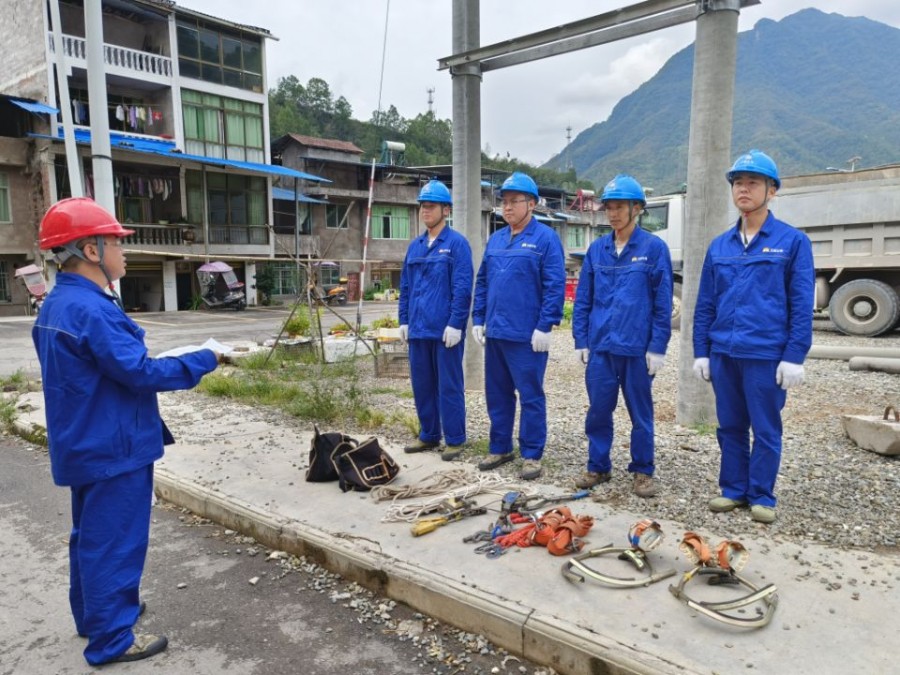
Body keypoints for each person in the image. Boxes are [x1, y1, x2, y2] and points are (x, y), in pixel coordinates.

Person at [32, 198, 224, 665]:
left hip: (84, 440)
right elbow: (139, 372)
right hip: (112, 444)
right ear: (91, 250)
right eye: (116, 241)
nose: (123, 248)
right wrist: (205, 357)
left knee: (91, 537)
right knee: (114, 539)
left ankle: (95, 615)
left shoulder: (60, 303)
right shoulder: (90, 310)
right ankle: (112, 638)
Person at [693, 149, 814, 524]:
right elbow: (705, 304)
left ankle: (762, 494)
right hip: (724, 352)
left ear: (772, 191)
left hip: (764, 354)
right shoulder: (720, 246)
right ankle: (733, 489)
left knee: (765, 427)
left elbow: (800, 303)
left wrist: (795, 355)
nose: (744, 189)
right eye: (738, 183)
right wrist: (701, 351)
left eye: (753, 182)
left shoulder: (792, 242)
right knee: (729, 425)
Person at [572, 175, 673, 498]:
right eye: (609, 207)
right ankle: (598, 466)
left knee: (640, 414)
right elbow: (583, 299)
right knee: (598, 409)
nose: (613, 214)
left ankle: (643, 471)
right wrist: (581, 340)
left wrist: (657, 347)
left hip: (636, 348)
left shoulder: (653, 249)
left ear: (637, 209)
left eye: (620, 207)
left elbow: (662, 302)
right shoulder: (597, 250)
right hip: (602, 347)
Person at [472, 172, 566, 481]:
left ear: (532, 204)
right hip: (496, 332)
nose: (507, 207)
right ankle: (500, 447)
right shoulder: (497, 238)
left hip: (527, 336)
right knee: (497, 393)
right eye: (504, 201)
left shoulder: (546, 239)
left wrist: (545, 325)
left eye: (514, 201)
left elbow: (555, 285)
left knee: (530, 395)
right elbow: (483, 281)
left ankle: (531, 454)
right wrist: (478, 319)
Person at [399, 180, 473, 461]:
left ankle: (455, 439)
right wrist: (403, 320)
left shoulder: (456, 245)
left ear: (446, 209)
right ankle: (428, 435)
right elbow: (405, 287)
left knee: (449, 385)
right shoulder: (415, 247)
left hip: (445, 332)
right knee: (422, 385)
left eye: (431, 206)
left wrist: (456, 323)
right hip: (418, 329)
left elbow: (463, 287)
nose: (425, 211)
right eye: (422, 206)